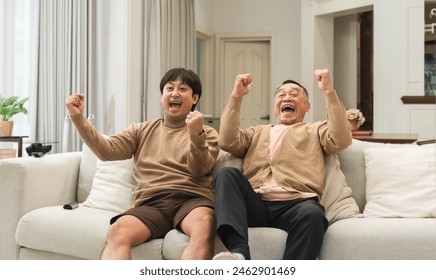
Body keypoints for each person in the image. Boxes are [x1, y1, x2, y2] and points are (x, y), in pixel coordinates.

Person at [66, 68, 219, 260]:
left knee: (205, 225)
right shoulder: (141, 130)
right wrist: (79, 118)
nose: (174, 93)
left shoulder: (208, 133)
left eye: (182, 89)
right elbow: (107, 151)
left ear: (195, 98)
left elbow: (199, 169)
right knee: (117, 232)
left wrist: (196, 135)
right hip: (152, 203)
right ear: (163, 95)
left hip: (192, 200)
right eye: (169, 88)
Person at [212, 69, 352, 260]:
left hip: (297, 205)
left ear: (307, 106)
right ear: (275, 106)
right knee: (227, 174)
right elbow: (227, 141)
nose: (287, 98)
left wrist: (329, 92)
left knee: (314, 214)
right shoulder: (258, 132)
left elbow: (341, 140)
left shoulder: (315, 130)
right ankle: (238, 254)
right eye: (281, 95)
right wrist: (236, 96)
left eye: (294, 94)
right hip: (256, 203)